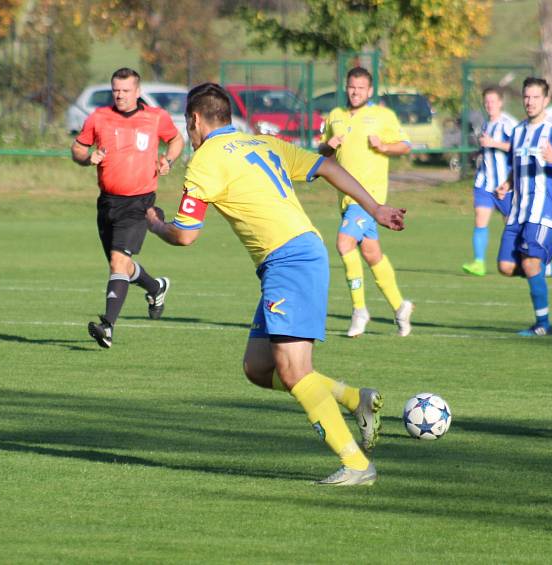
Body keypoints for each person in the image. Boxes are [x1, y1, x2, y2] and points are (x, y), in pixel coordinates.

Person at [146, 82, 407, 485]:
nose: (189, 134)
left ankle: (356, 464)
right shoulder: (262, 143)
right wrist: (375, 207)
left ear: (195, 120)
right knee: (257, 367)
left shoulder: (205, 161)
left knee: (294, 371)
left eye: (187, 125)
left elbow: (185, 234)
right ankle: (357, 399)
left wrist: (154, 224)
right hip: (292, 257)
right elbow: (328, 166)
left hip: (290, 260)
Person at [71, 67, 184, 349]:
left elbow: (176, 140)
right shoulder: (99, 117)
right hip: (108, 203)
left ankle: (107, 326)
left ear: (137, 91)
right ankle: (156, 287)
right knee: (122, 265)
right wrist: (88, 158)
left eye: (125, 91)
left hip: (139, 202)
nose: (119, 95)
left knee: (117, 263)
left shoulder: (155, 117)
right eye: (115, 90)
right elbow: (77, 148)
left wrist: (168, 160)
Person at [318, 67, 414, 338]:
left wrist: (384, 146)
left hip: (370, 200)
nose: (355, 92)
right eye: (351, 87)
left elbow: (405, 145)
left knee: (343, 242)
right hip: (347, 201)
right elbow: (322, 151)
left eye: (361, 88)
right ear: (346, 87)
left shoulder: (382, 116)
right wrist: (329, 146)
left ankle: (359, 310)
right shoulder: (335, 116)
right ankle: (400, 306)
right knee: (372, 255)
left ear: (369, 91)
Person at [496, 77, 552, 336]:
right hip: (518, 210)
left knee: (532, 263)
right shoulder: (518, 130)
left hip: (544, 211)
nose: (530, 102)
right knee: (506, 267)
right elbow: (518, 165)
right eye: (526, 97)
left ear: (546, 100)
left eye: (535, 97)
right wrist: (507, 183)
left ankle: (543, 325)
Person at [462, 86, 517, 277]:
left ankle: (516, 258)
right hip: (484, 183)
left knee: (511, 224)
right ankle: (479, 263)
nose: (489, 104)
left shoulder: (508, 123)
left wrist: (494, 143)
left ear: (500, 102)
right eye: (486, 101)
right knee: (480, 219)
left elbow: (517, 147)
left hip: (506, 185)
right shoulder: (486, 124)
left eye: (493, 101)